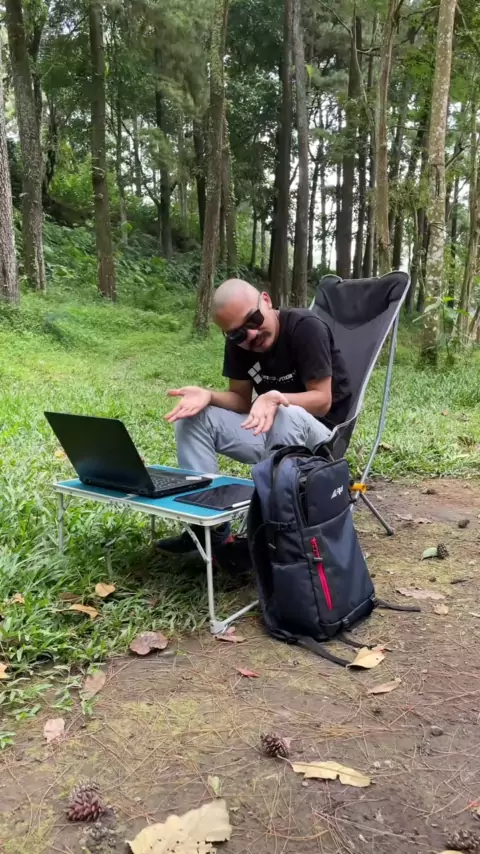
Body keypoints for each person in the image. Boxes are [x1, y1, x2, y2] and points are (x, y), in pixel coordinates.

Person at [156, 278, 352, 555]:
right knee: (192, 418)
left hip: (321, 438)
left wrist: (273, 397)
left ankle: (275, 534)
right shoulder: (240, 344)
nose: (250, 334)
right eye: (237, 334)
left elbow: (322, 401)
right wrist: (208, 395)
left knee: (284, 413)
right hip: (270, 430)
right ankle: (209, 532)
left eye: (253, 319)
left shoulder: (306, 327)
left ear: (266, 300)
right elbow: (240, 399)